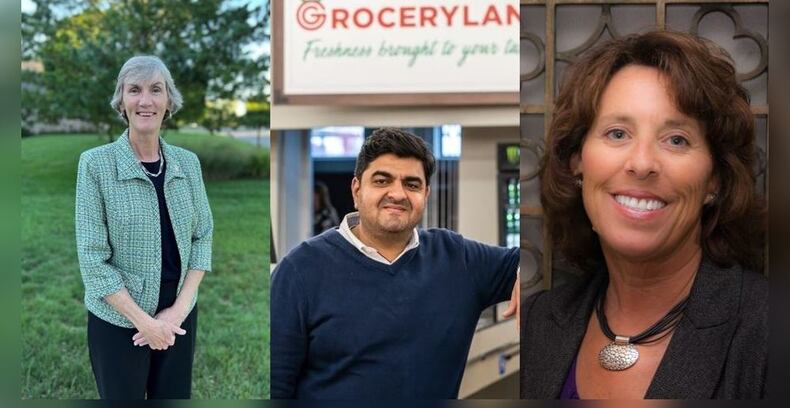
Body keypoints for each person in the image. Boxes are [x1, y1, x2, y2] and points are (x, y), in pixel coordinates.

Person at [520, 31, 767, 399]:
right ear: (577, 162)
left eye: (677, 140)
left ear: (714, 179)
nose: (642, 163)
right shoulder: (536, 324)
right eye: (617, 133)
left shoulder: (768, 330)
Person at [271, 127, 519, 399]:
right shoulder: (300, 270)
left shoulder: (458, 258)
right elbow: (275, 384)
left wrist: (521, 272)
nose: (397, 194)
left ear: (425, 194)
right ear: (356, 190)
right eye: (382, 181)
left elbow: (534, 259)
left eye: (411, 184)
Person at [75, 55, 213, 399]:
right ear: (121, 100)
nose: (145, 100)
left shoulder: (188, 164)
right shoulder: (95, 164)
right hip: (120, 321)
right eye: (134, 90)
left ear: (169, 101)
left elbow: (203, 237)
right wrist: (146, 323)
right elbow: (93, 261)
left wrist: (175, 315)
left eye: (156, 90)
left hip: (178, 316)